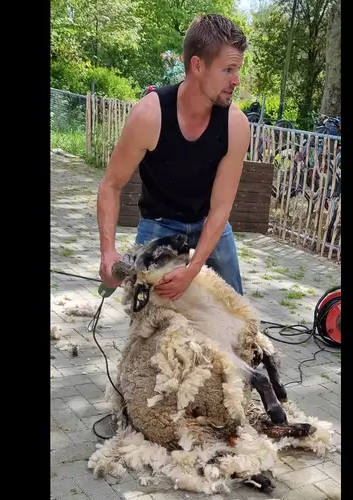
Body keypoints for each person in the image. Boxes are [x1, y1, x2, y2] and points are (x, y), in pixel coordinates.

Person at [97, 13, 250, 301]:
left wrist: (192, 269)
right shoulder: (149, 116)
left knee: (236, 312)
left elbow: (221, 208)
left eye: (238, 69)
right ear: (197, 65)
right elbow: (111, 185)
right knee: (149, 317)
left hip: (208, 220)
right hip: (159, 221)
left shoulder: (236, 125)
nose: (236, 80)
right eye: (228, 69)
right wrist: (108, 253)